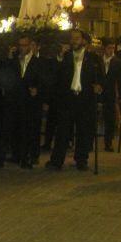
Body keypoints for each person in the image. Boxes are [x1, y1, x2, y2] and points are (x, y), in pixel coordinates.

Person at [46, 29, 101, 171]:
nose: (74, 41)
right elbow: (57, 76)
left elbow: (99, 78)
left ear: (83, 40)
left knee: (83, 131)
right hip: (68, 98)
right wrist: (60, 57)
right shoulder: (66, 57)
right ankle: (57, 160)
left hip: (85, 99)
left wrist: (98, 87)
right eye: (72, 39)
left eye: (77, 38)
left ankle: (81, 160)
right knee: (63, 131)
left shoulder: (92, 59)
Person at [0, 35, 42, 169]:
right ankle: (0, 158)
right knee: (6, 128)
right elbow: (5, 75)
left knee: (25, 130)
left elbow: (40, 79)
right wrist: (9, 58)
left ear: (30, 45)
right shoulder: (13, 60)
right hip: (13, 99)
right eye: (20, 45)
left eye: (25, 45)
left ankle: (24, 157)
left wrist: (36, 89)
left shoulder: (36, 62)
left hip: (27, 101)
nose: (22, 48)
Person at [98, 38, 121, 150]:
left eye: (113, 48)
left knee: (109, 119)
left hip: (110, 94)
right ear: (104, 48)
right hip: (98, 93)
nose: (111, 50)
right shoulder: (98, 61)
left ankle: (108, 142)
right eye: (109, 48)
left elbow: (120, 81)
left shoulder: (118, 63)